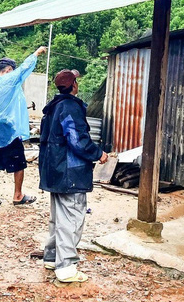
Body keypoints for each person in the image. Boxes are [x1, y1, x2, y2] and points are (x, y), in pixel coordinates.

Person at [38, 69, 109, 283]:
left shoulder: (52, 107)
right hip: (71, 173)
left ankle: (52, 257)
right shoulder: (70, 107)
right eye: (76, 81)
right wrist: (99, 154)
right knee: (72, 219)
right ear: (74, 86)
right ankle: (66, 267)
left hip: (54, 170)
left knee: (57, 218)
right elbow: (77, 140)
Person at [0, 46, 47, 208]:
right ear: (8, 70)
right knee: (20, 162)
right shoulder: (7, 81)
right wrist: (36, 52)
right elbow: (24, 68)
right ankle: (18, 195)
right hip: (8, 130)